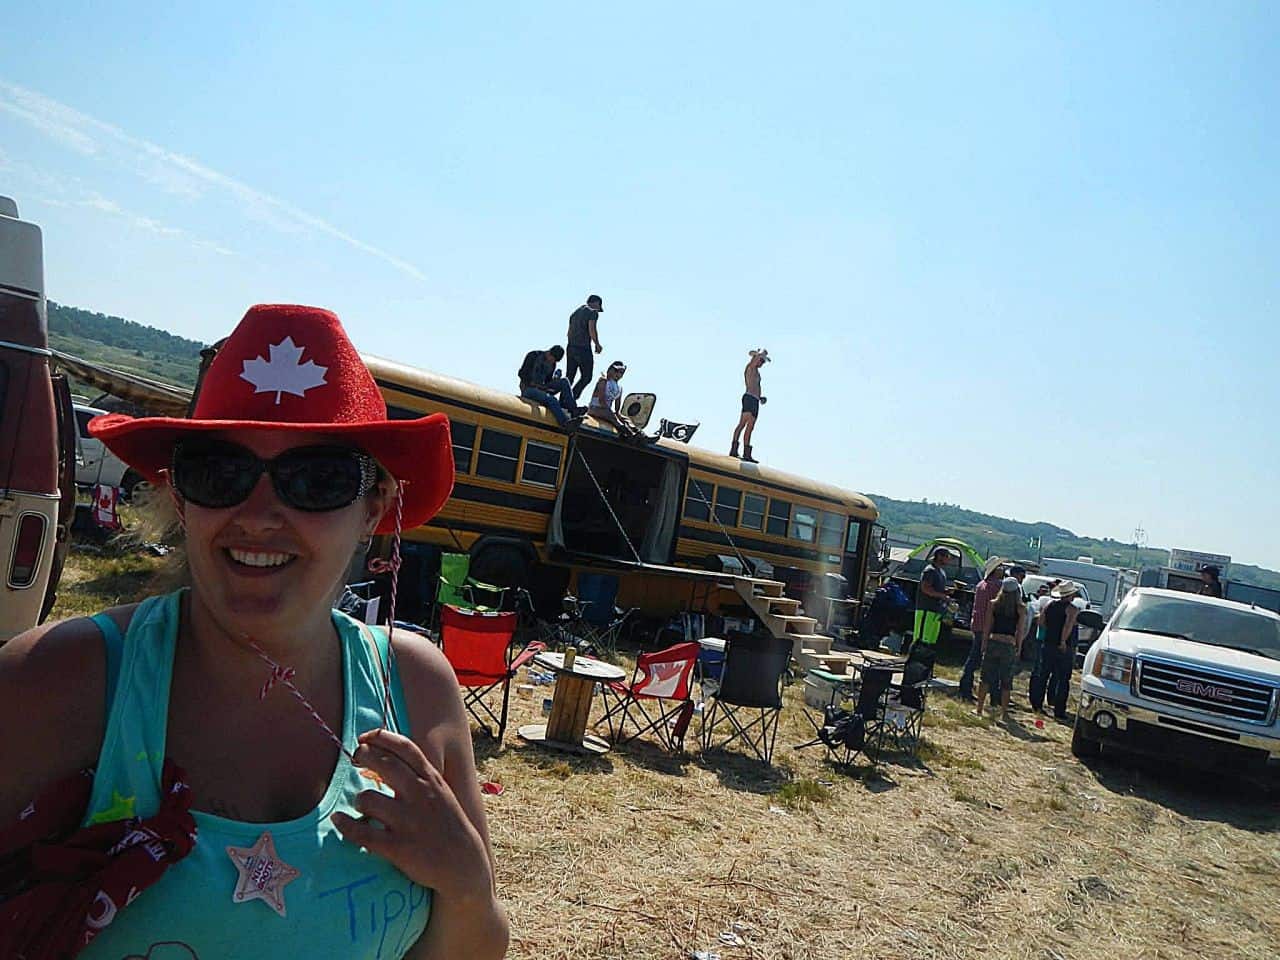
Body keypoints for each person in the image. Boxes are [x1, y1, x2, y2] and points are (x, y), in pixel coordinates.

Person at [0, 305, 509, 958]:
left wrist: (467, 886)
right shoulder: (57, 682)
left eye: (317, 479)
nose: (261, 513)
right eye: (220, 472)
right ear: (180, 497)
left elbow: (475, 944)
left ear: (372, 509)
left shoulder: (414, 687)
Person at [976, 577, 1027, 721]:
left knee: (985, 677)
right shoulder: (1020, 608)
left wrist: (984, 643)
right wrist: (1019, 647)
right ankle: (1004, 713)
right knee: (1006, 680)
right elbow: (1020, 631)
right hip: (1009, 644)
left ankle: (979, 708)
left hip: (994, 641)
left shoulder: (994, 604)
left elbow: (987, 626)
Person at [1030, 581, 1081, 720]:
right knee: (1063, 679)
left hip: (1048, 643)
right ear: (1071, 595)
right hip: (1063, 646)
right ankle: (1059, 710)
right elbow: (1068, 626)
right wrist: (1063, 641)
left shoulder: (1049, 605)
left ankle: (1037, 704)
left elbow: (1041, 622)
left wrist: (1050, 631)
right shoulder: (1072, 609)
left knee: (1043, 675)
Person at [959, 556, 1004, 701]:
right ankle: (991, 693)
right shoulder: (997, 586)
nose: (1002, 569)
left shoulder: (981, 585)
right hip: (989, 626)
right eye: (1000, 567)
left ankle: (966, 687)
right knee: (991, 661)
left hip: (978, 624)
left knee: (974, 657)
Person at [906, 546, 952, 672]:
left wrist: (946, 591)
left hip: (936, 612)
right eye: (947, 556)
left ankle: (925, 669)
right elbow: (925, 588)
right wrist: (942, 595)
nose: (949, 560)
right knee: (920, 640)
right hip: (926, 610)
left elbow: (936, 589)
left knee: (930, 642)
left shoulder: (941, 572)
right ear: (940, 556)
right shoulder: (929, 571)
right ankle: (912, 667)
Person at [519, 343, 584, 428]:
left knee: (564, 381)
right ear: (549, 353)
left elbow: (547, 381)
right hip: (529, 389)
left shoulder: (552, 364)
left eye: (555, 361)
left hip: (542, 388)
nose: (552, 362)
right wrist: (534, 384)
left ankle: (573, 409)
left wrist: (554, 381)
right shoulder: (534, 356)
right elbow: (521, 373)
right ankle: (565, 423)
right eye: (552, 359)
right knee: (552, 400)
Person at [729, 348, 769, 463]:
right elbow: (754, 360)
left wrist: (760, 397)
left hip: (755, 400)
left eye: (763, 361)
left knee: (750, 426)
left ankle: (747, 452)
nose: (762, 363)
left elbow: (756, 385)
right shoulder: (750, 367)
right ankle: (734, 448)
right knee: (743, 423)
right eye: (761, 360)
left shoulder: (757, 372)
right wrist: (757, 355)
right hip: (749, 398)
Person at [588, 361, 645, 440]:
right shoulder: (603, 381)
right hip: (595, 408)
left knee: (625, 418)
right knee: (610, 414)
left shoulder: (619, 388)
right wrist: (612, 414)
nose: (618, 374)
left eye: (621, 372)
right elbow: (601, 401)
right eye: (616, 371)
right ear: (610, 370)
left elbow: (617, 408)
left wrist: (620, 416)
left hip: (607, 410)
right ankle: (629, 433)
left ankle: (639, 433)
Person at [564, 294, 604, 401]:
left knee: (569, 377)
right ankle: (571, 398)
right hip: (583, 348)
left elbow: (568, 333)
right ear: (596, 303)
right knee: (586, 377)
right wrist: (597, 344)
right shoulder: (592, 312)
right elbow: (592, 329)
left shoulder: (575, 313)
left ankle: (563, 399)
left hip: (571, 347)